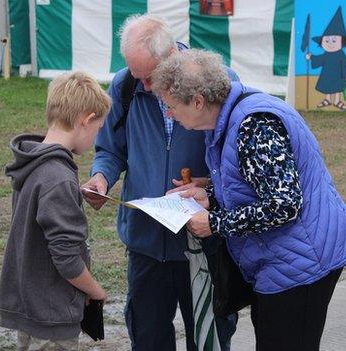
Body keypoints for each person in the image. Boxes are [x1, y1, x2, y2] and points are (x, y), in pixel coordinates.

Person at [151, 49, 346, 351]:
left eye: (171, 107)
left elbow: (284, 203)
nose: (170, 114)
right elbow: (254, 182)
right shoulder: (232, 117)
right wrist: (210, 195)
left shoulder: (254, 126)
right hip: (285, 259)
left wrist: (215, 222)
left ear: (198, 102)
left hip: (301, 262)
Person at [81, 14, 238, 351]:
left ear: (171, 57)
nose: (146, 87)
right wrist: (101, 176)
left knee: (209, 339)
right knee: (148, 338)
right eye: (139, 77)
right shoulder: (125, 85)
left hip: (203, 244)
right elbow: (110, 148)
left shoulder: (215, 83)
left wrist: (209, 186)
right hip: (147, 245)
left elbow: (236, 162)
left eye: (150, 77)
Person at [0, 71, 111, 350]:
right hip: (51, 315)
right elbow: (66, 258)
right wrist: (95, 290)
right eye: (98, 128)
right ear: (86, 119)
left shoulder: (34, 163)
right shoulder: (58, 177)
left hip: (32, 305)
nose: (96, 138)